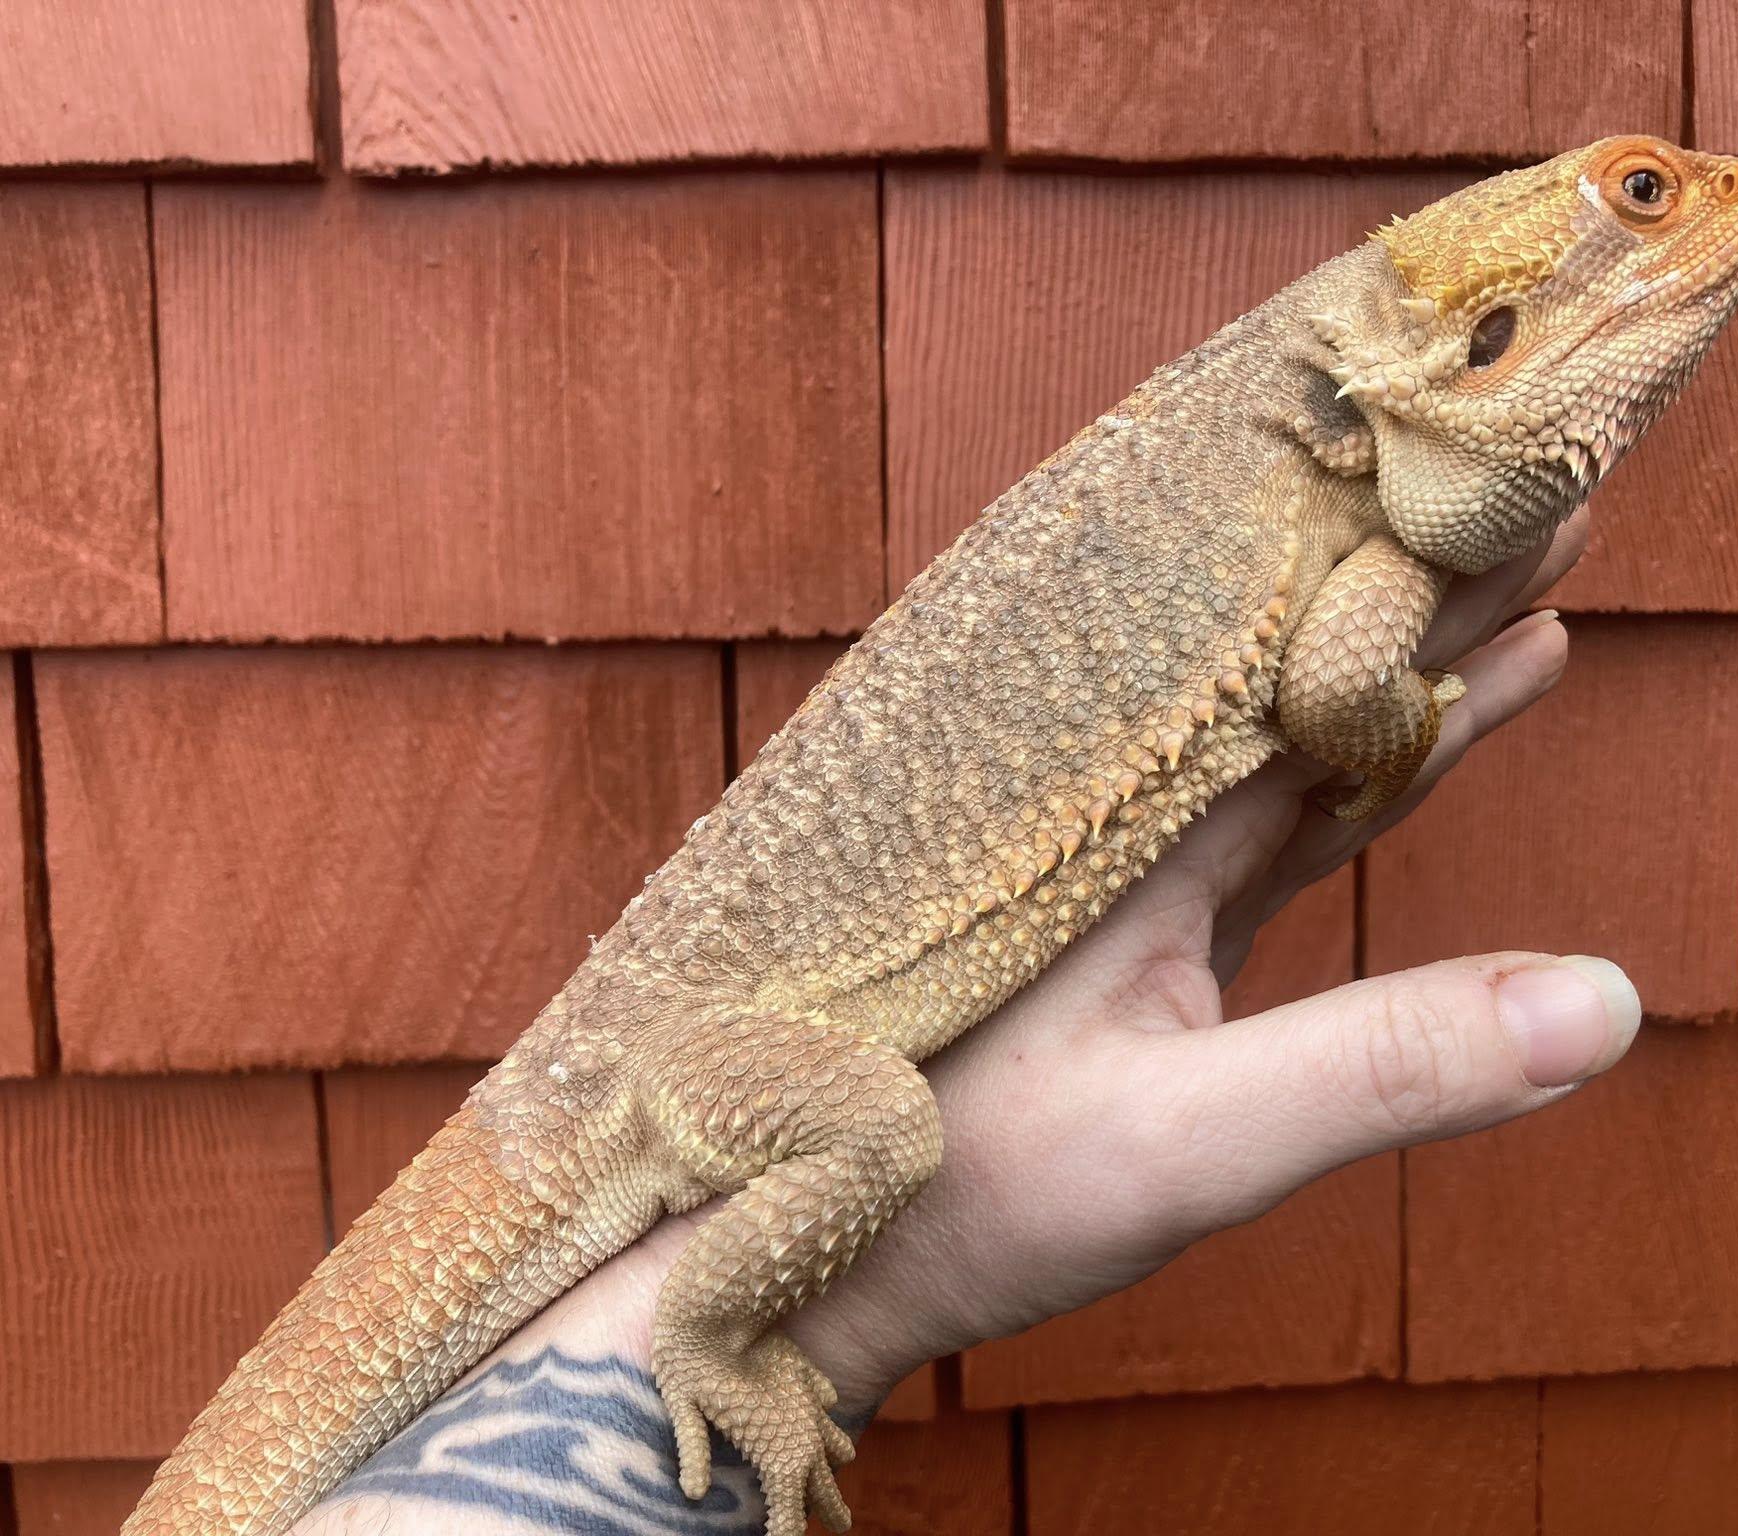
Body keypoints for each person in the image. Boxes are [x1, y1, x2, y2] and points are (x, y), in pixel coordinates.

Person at [295, 510, 1636, 1536]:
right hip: (681, 1066)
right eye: (1638, 198)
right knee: (881, 1125)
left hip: (691, 1041)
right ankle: (699, 1329)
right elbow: (1343, 695)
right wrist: (721, 1341)